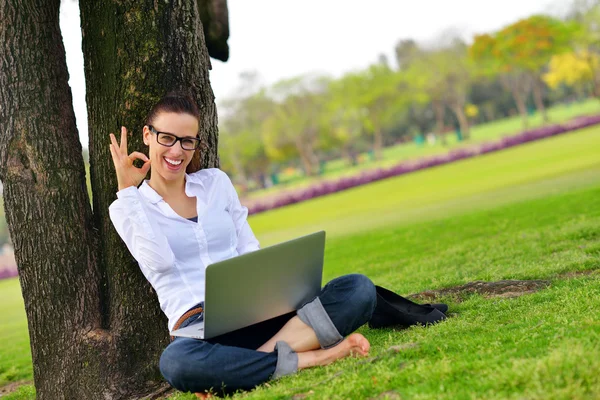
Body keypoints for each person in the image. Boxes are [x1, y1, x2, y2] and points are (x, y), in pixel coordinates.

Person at [108, 92, 378, 397]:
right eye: (167, 138)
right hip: (200, 331)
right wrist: (128, 189)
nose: (177, 151)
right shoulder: (128, 206)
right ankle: (314, 357)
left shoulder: (215, 183)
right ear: (148, 135)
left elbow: (248, 247)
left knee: (358, 289)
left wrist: (272, 295)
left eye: (187, 141)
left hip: (258, 311)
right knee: (177, 363)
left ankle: (254, 364)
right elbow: (160, 263)